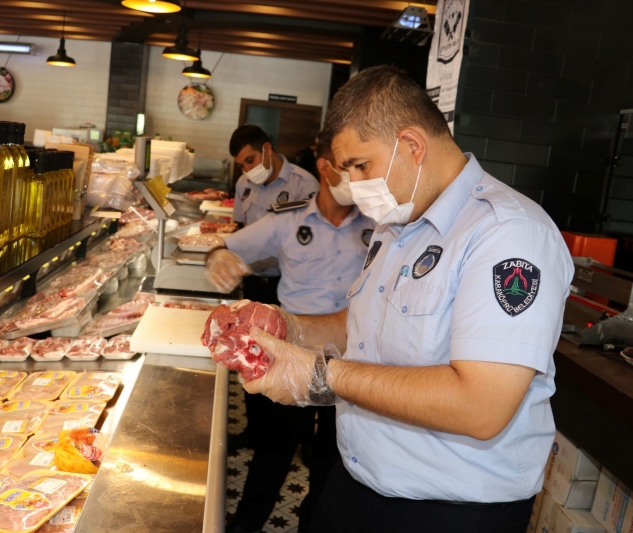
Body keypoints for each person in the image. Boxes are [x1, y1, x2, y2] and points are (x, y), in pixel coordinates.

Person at [240, 65, 574, 533]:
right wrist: (289, 327)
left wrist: (321, 375)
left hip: (445, 512)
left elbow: (481, 406)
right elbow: (364, 325)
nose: (354, 184)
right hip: (357, 483)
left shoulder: (508, 233)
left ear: (413, 145)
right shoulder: (397, 222)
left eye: (361, 166)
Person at [207, 140, 374, 533]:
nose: (359, 177)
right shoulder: (288, 219)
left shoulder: (378, 223)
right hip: (292, 353)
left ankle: (311, 524)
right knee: (274, 450)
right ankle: (245, 525)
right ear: (325, 168)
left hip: (353, 356)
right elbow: (224, 245)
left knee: (333, 455)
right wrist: (220, 257)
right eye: (351, 167)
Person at [227, 125, 321, 453]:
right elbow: (241, 232)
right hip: (255, 285)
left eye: (251, 160)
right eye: (241, 165)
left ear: (267, 149)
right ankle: (255, 431)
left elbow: (310, 243)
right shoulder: (244, 185)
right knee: (251, 357)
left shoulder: (304, 184)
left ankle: (293, 439)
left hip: (289, 288)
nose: (247, 169)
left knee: (289, 358)